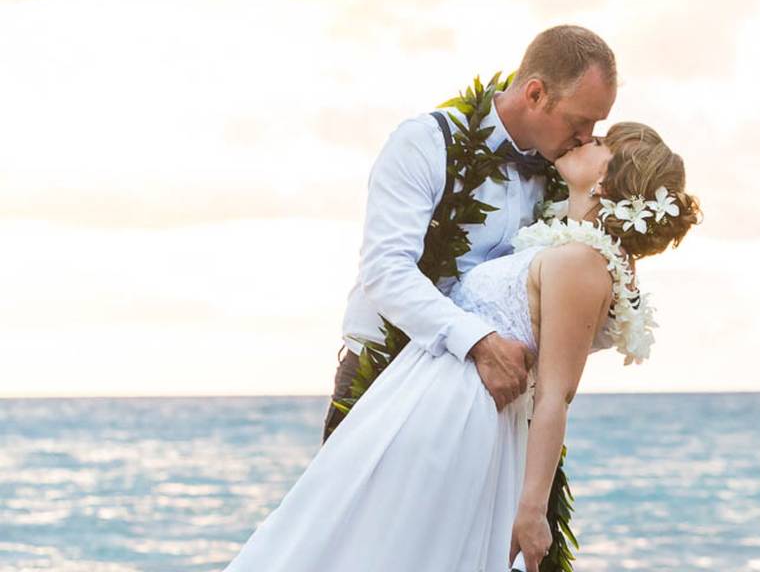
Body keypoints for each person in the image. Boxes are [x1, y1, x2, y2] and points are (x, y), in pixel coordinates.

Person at [223, 122, 702, 572]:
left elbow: (556, 393)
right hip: (424, 401)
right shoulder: (567, 249)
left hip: (458, 420)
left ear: (605, 180)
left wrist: (532, 510)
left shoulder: (581, 263)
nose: (586, 138)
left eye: (601, 142)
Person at [326, 25, 618, 441]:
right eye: (580, 120)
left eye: (597, 124)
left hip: (489, 400)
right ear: (535, 94)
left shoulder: (565, 176)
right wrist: (478, 342)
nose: (587, 137)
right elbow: (385, 271)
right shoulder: (424, 143)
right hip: (385, 374)